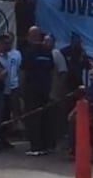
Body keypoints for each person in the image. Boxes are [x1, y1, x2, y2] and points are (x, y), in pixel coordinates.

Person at [21, 26, 55, 156]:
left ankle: (35, 146)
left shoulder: (28, 52)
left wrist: (21, 89)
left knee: (32, 118)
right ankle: (44, 146)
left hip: (32, 90)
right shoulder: (47, 52)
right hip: (44, 89)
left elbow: (23, 71)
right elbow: (51, 71)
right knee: (44, 117)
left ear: (30, 37)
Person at [43, 34, 67, 151]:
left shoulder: (56, 54)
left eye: (49, 41)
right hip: (43, 91)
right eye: (45, 41)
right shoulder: (41, 53)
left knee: (54, 118)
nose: (47, 43)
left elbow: (63, 72)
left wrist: (59, 89)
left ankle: (55, 142)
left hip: (54, 91)